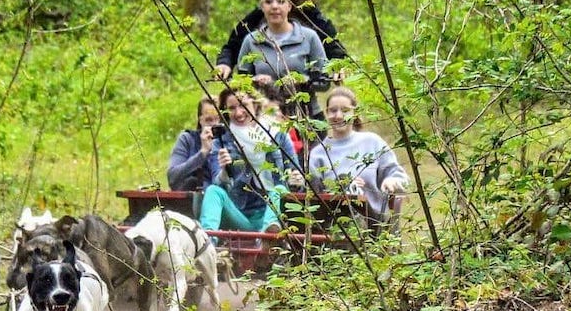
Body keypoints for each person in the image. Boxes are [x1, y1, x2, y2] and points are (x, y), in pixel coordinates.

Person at [199, 87, 302, 236]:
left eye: (243, 105)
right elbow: (217, 182)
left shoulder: (278, 136)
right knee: (212, 191)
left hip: (274, 211)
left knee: (279, 190)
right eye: (232, 108)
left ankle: (267, 236)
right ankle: (208, 243)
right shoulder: (222, 141)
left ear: (255, 104)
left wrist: (296, 180)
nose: (238, 113)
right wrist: (223, 172)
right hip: (240, 214)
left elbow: (295, 175)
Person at [213, 0, 344, 79]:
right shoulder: (261, 15)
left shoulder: (317, 21)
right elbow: (232, 46)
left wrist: (338, 65)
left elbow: (335, 48)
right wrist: (224, 63)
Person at [306, 87, 408, 222]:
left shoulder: (372, 142)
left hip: (372, 224)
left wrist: (392, 180)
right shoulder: (318, 153)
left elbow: (400, 177)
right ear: (326, 113)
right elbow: (313, 196)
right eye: (333, 110)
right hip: (333, 225)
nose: (338, 116)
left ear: (355, 113)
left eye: (345, 110)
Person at [234, 0, 329, 122]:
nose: (274, 6)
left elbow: (325, 81)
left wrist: (304, 81)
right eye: (269, 2)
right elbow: (240, 84)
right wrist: (254, 81)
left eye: (280, 1)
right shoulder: (251, 41)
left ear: (289, 5)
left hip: (307, 116)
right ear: (262, 7)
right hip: (265, 118)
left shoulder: (309, 37)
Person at [167, 96, 221, 191]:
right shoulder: (187, 139)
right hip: (192, 199)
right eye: (208, 120)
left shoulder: (230, 142)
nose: (214, 125)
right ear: (200, 121)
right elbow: (172, 177)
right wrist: (202, 153)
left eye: (217, 119)